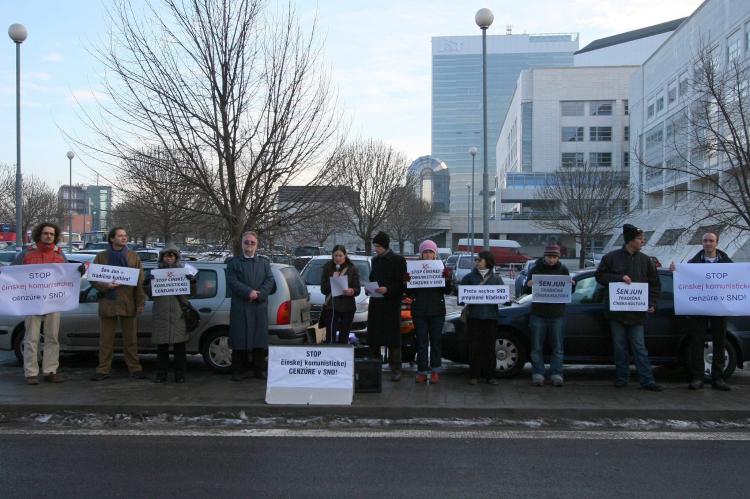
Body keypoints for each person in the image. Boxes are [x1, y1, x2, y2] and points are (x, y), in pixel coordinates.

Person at [12, 222, 83, 385]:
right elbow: (12, 274)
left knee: (52, 338)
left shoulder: (60, 255)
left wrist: (78, 272)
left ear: (55, 237)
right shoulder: (25, 255)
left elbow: (67, 275)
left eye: (52, 234)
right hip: (32, 302)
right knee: (31, 338)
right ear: (39, 235)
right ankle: (31, 373)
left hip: (53, 302)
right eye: (46, 233)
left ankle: (50, 370)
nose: (49, 236)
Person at [595, 224, 662, 391]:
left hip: (637, 313)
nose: (643, 242)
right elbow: (600, 276)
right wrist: (619, 278)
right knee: (619, 347)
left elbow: (655, 285)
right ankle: (621, 378)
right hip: (616, 313)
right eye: (640, 239)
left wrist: (651, 303)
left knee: (639, 347)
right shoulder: (611, 257)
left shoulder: (646, 261)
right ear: (630, 240)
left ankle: (647, 380)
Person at [670, 232, 733, 391]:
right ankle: (697, 378)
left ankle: (718, 379)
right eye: (705, 240)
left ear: (717, 243)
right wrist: (676, 271)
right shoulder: (692, 263)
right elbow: (684, 280)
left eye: (711, 240)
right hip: (698, 309)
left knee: (719, 342)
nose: (708, 243)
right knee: (697, 343)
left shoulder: (728, 263)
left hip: (720, 308)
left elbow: (736, 281)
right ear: (701, 243)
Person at [90, 227, 147, 381]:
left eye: (125, 235)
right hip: (108, 303)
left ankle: (135, 368)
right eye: (120, 235)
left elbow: (140, 282)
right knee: (106, 341)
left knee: (131, 340)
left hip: (128, 303)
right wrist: (105, 285)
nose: (124, 238)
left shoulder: (133, 256)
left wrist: (140, 302)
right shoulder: (101, 256)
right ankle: (103, 370)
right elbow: (93, 279)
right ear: (112, 239)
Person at [144, 246, 197, 383]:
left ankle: (180, 374)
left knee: (180, 348)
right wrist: (147, 283)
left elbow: (191, 293)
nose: (169, 258)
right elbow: (150, 294)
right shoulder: (156, 274)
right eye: (166, 255)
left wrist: (191, 282)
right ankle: (162, 374)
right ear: (162, 258)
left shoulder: (182, 273)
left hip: (178, 315)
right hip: (161, 315)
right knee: (162, 349)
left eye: (172, 255)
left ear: (176, 258)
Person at [226, 231, 274, 382]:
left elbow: (270, 280)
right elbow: (232, 282)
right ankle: (238, 370)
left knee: (259, 340)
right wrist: (248, 292)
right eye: (247, 242)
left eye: (252, 243)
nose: (249, 245)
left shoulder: (264, 263)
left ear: (257, 245)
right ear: (242, 243)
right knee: (240, 340)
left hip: (258, 307)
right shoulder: (233, 263)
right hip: (241, 306)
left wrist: (259, 295)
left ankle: (259, 369)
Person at [523, 244, 570, 387]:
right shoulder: (536, 269)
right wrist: (529, 284)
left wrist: (571, 284)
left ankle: (556, 373)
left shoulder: (563, 270)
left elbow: (568, 290)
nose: (551, 260)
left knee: (557, 347)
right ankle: (538, 373)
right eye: (549, 257)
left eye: (554, 257)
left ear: (558, 257)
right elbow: (525, 289)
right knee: (536, 346)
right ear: (545, 256)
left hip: (557, 314)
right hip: (538, 313)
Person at [407, 239, 451, 384]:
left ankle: (435, 370)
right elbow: (408, 293)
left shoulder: (441, 267)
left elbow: (448, 290)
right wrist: (406, 281)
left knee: (436, 342)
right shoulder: (414, 268)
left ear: (435, 254)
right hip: (419, 310)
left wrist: (447, 278)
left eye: (430, 252)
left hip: (437, 311)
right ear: (421, 254)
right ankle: (422, 371)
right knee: (421, 342)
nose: (427, 254)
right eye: (425, 252)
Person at [367, 231, 407, 381]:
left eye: (378, 246)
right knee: (374, 336)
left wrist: (388, 289)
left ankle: (396, 368)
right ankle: (374, 366)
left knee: (393, 338)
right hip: (376, 303)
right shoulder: (375, 261)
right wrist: (369, 288)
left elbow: (402, 284)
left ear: (385, 246)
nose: (376, 249)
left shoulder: (398, 260)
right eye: (375, 246)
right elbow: (372, 278)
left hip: (391, 304)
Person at [460, 250, 502, 385]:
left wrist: (504, 298)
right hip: (474, 317)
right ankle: (474, 375)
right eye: (476, 260)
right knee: (474, 347)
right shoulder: (469, 277)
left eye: (479, 260)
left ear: (487, 261)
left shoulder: (496, 278)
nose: (477, 262)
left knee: (489, 347)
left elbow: (503, 297)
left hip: (491, 317)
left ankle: (490, 375)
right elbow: (461, 296)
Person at [319, 245, 361, 344]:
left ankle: (343, 356)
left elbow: (357, 289)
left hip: (347, 306)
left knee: (344, 336)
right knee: (330, 335)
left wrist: (351, 291)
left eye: (340, 255)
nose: (338, 258)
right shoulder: (327, 267)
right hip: (332, 307)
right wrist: (332, 281)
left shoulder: (352, 268)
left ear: (345, 255)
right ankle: (331, 356)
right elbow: (323, 289)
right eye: (335, 255)